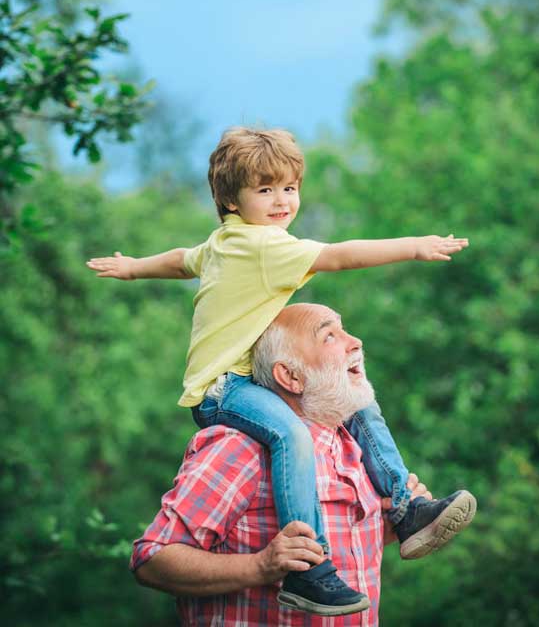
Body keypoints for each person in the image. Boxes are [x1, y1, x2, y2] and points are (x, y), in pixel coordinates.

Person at [87, 127, 475, 616]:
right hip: (224, 387)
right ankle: (307, 569)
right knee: (290, 434)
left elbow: (180, 262)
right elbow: (341, 254)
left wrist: (135, 267)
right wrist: (413, 246)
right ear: (230, 199)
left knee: (358, 404)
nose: (281, 201)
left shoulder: (222, 243)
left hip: (234, 382)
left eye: (288, 188)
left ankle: (406, 507)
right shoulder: (266, 248)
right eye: (264, 189)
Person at [130, 303, 473, 626]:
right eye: (329, 336)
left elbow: (337, 550)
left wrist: (384, 527)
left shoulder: (355, 449)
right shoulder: (239, 448)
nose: (355, 342)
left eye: (345, 330)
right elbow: (152, 559)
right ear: (291, 377)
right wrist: (261, 566)